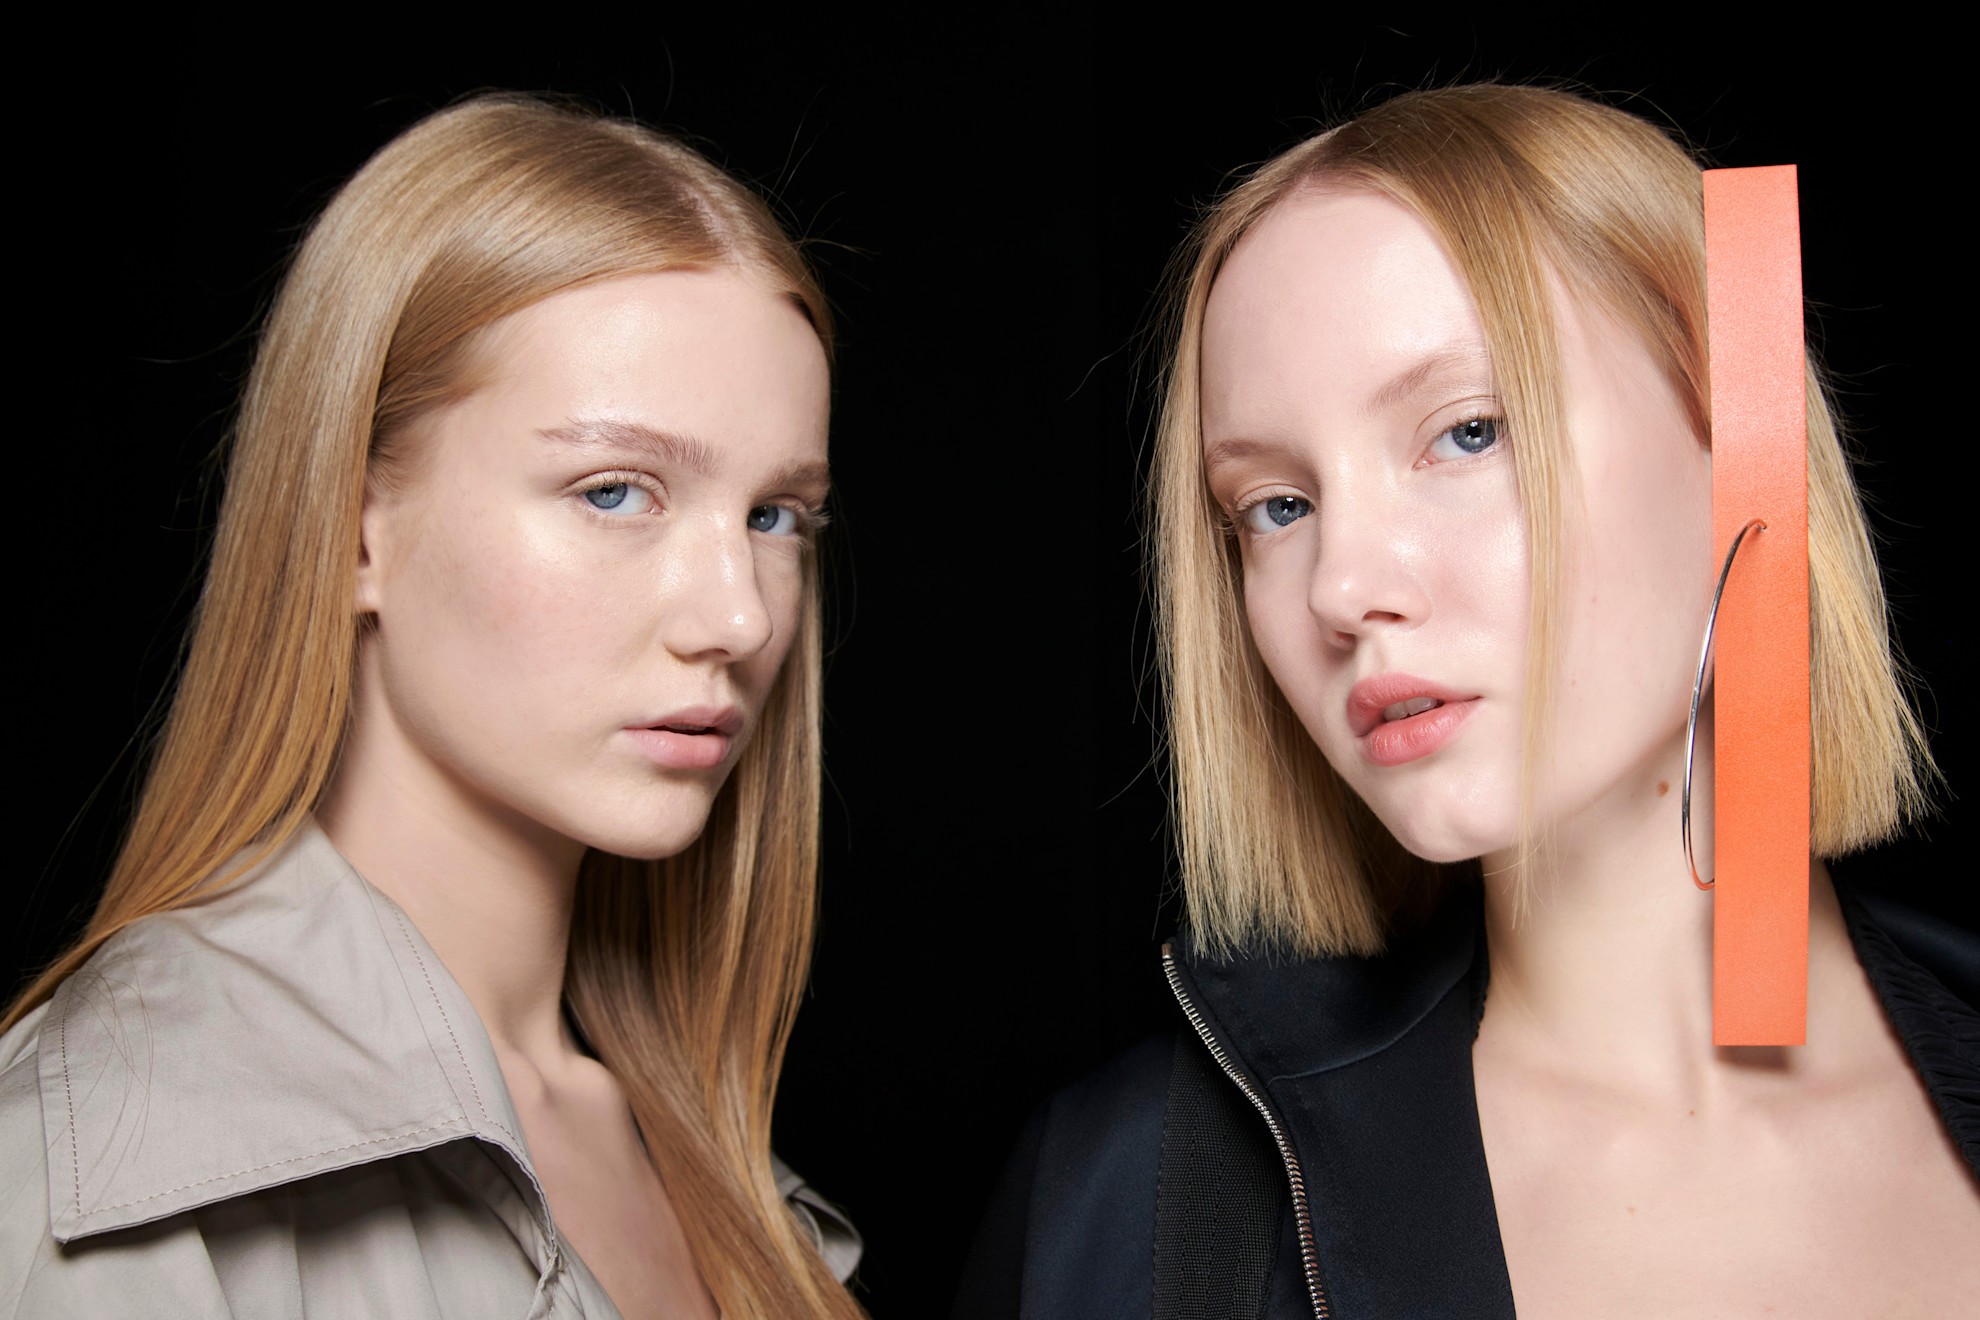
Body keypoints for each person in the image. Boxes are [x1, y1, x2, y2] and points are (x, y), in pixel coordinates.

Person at [958, 84, 1979, 1319]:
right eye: (1276, 506)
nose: (1341, 587)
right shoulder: (1118, 1204)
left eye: (1469, 432)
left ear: (1742, 428)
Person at [2, 94, 864, 1320]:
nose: (741, 616)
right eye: (615, 491)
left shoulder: (721, 1173)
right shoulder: (102, 1172)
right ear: (355, 529)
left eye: (776, 516)